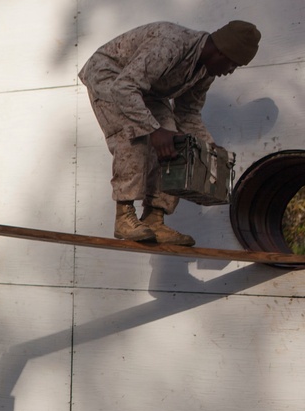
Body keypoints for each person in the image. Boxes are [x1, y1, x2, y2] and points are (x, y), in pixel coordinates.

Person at [79, 20, 261, 246]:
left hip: (147, 91)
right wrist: (154, 130)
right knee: (135, 134)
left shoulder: (206, 72)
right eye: (233, 64)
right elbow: (124, 87)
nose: (230, 71)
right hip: (111, 76)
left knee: (177, 143)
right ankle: (125, 216)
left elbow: (188, 113)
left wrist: (209, 146)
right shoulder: (171, 44)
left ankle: (155, 217)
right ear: (221, 53)